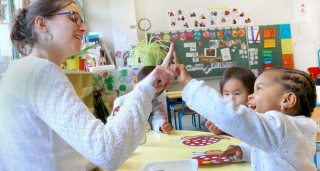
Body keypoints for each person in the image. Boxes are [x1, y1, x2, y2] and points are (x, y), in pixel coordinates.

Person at [0, 0, 176, 170]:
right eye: (73, 18)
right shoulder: (42, 72)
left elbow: (60, 149)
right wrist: (144, 89)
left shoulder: (17, 69)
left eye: (82, 21)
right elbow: (108, 152)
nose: (84, 28)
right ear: (42, 23)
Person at [170, 63, 317, 170]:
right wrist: (243, 151)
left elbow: (231, 116)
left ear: (287, 100)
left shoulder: (280, 126)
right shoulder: (294, 127)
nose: (251, 95)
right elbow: (268, 149)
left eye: (259, 89)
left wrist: (189, 83)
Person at [108, 66, 172, 134]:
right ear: (135, 82)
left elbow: (157, 118)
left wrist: (161, 126)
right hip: (128, 139)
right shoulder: (121, 101)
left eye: (155, 94)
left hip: (148, 139)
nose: (149, 96)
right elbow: (114, 122)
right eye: (146, 90)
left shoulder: (154, 103)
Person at [206, 67, 256, 135]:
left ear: (251, 94)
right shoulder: (224, 115)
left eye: (237, 94)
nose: (231, 99)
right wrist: (219, 131)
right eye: (226, 94)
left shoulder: (255, 116)